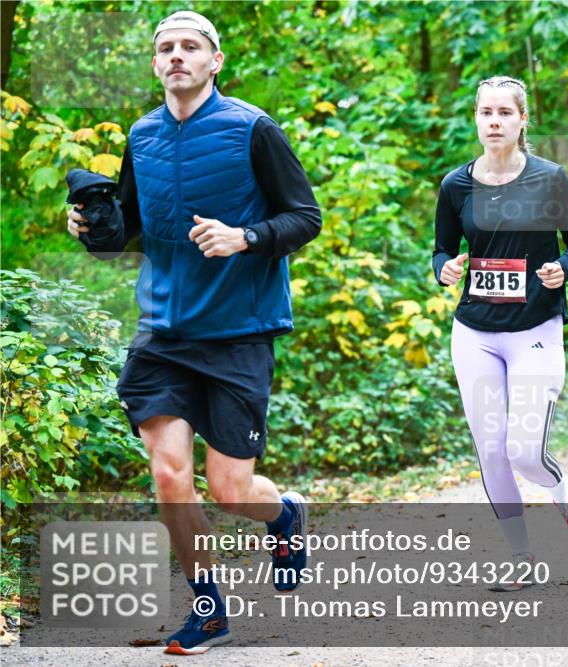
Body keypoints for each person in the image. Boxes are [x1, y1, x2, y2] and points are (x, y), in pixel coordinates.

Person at [66, 11, 321, 654]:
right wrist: (94, 231)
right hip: (161, 333)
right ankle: (208, 608)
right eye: (166, 48)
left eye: (190, 47)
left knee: (233, 491)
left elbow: (304, 216)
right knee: (170, 474)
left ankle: (283, 514)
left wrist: (246, 237)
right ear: (155, 65)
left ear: (215, 61)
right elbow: (128, 230)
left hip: (238, 331)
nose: (177, 56)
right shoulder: (142, 135)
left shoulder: (252, 129)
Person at [433, 75, 568, 590]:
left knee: (526, 451)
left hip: (535, 328)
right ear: (476, 119)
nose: (495, 121)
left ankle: (564, 492)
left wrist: (562, 269)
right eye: (486, 113)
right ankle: (522, 557)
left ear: (523, 120)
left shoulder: (549, 178)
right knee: (491, 448)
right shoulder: (455, 185)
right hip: (475, 331)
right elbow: (441, 249)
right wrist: (445, 269)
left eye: (506, 112)